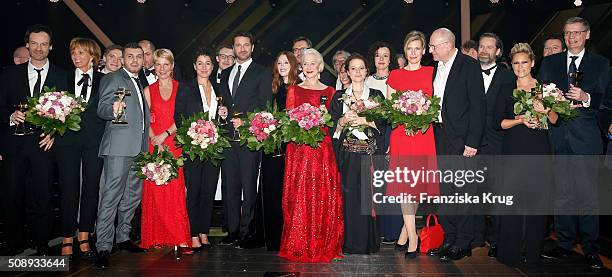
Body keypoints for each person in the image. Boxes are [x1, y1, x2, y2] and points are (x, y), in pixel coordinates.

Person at [538, 17, 609, 269]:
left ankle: (591, 248)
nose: (572, 37)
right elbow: (541, 94)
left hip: (587, 139)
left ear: (587, 35)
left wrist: (587, 97)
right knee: (563, 194)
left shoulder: (601, 65)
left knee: (588, 195)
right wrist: (548, 102)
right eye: (568, 33)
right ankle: (565, 244)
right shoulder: (550, 62)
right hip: (558, 136)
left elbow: (608, 102)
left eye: (578, 33)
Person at [0, 24, 67, 256]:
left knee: (43, 196)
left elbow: (69, 113)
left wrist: (54, 132)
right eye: (35, 43)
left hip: (44, 145)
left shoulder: (62, 75)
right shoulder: (9, 74)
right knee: (12, 195)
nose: (39, 48)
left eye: (44, 44)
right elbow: (1, 106)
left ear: (51, 47)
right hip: (14, 146)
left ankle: (41, 243)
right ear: (27, 45)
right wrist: (10, 115)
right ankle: (13, 243)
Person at [279, 48, 343, 262]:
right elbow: (288, 122)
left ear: (320, 66)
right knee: (300, 195)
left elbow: (334, 124)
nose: (308, 67)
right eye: (305, 63)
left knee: (321, 194)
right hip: (299, 151)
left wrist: (322, 120)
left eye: (312, 63)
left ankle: (322, 242)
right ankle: (299, 242)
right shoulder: (294, 90)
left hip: (322, 150)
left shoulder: (331, 91)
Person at [494, 43, 556, 267]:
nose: (520, 67)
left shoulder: (545, 89)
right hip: (513, 150)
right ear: (512, 65)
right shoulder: (505, 89)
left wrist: (546, 110)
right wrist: (519, 120)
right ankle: (509, 253)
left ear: (532, 62)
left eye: (524, 62)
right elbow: (498, 122)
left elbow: (555, 120)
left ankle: (532, 254)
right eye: (516, 63)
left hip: (539, 149)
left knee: (537, 204)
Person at [428, 28, 485, 262]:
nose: (430, 50)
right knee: (444, 192)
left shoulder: (468, 65)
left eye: (434, 46)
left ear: (448, 44)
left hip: (461, 140)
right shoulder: (435, 68)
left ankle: (463, 242)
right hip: (438, 136)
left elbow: (478, 106)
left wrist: (473, 142)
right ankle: (449, 238)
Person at [95, 42, 150, 268]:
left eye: (139, 56)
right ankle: (103, 246)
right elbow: (102, 108)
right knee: (110, 197)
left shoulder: (140, 80)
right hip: (118, 148)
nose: (135, 60)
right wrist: (112, 110)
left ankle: (123, 237)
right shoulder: (113, 78)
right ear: (123, 59)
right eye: (130, 56)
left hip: (139, 148)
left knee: (132, 197)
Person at [385, 31, 438, 259]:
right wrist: (404, 119)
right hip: (401, 134)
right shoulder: (395, 75)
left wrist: (420, 119)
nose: (414, 53)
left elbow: (436, 105)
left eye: (418, 49)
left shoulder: (431, 73)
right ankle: (413, 236)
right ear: (404, 51)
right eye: (409, 49)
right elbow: (389, 109)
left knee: (415, 187)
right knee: (405, 187)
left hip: (423, 134)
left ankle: (403, 233)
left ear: (424, 50)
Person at [217, 31, 273, 249]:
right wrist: (222, 113)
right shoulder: (227, 72)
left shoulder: (262, 72)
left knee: (249, 187)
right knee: (230, 186)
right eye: (238, 45)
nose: (241, 48)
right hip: (228, 139)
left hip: (249, 138)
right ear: (233, 47)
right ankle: (231, 231)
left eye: (245, 45)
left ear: (252, 47)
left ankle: (246, 231)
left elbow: (264, 105)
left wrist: (247, 122)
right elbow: (226, 103)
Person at [55, 37, 105, 260]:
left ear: (92, 56)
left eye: (81, 53)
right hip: (67, 142)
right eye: (74, 52)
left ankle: (84, 235)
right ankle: (67, 237)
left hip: (95, 142)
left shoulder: (105, 80)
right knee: (68, 188)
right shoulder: (62, 77)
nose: (76, 57)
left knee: (91, 188)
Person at [330, 53, 384, 254]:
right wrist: (343, 120)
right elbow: (332, 126)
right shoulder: (338, 96)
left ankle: (368, 242)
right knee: (348, 198)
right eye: (353, 68)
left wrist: (366, 121)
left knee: (368, 199)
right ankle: (349, 242)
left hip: (369, 155)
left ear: (366, 71)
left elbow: (384, 124)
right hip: (347, 155)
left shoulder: (376, 95)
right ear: (347, 72)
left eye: (361, 68)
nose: (357, 72)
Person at [140, 48, 192, 253]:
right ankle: (156, 236)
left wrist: (165, 135)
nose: (162, 69)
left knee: (175, 191)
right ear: (154, 66)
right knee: (155, 191)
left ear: (172, 66)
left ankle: (179, 237)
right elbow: (145, 119)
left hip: (174, 143)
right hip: (155, 145)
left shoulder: (182, 88)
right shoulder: (148, 90)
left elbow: (183, 118)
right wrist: (156, 139)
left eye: (166, 64)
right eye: (158, 64)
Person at [174, 47, 225, 251]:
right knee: (194, 191)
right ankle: (193, 233)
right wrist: (194, 134)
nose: (204, 67)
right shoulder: (186, 87)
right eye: (200, 63)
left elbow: (223, 118)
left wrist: (223, 114)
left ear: (213, 66)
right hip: (194, 147)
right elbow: (178, 117)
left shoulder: (219, 89)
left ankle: (204, 231)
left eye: (208, 63)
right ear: (194, 66)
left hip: (213, 147)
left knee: (208, 192)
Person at [473, 32, 515, 257]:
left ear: (498, 52)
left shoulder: (508, 77)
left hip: (497, 143)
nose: (484, 51)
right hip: (472, 143)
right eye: (481, 46)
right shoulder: (469, 72)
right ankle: (478, 236)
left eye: (489, 47)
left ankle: (497, 240)